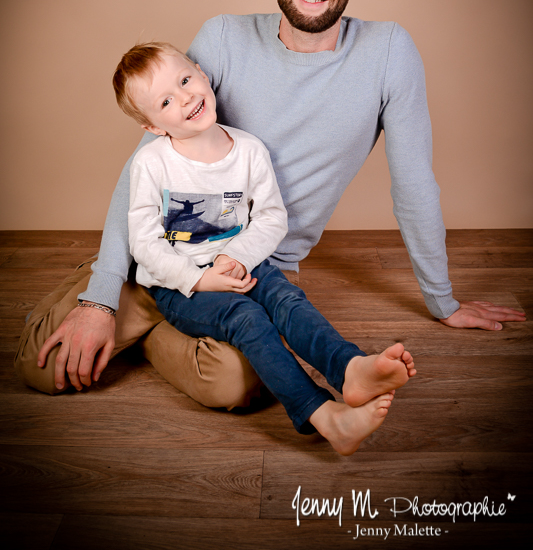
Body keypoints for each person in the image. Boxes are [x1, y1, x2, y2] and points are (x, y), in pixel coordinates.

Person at [15, 0, 525, 401]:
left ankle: (159, 331)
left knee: (238, 383)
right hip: (166, 252)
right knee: (44, 369)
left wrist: (442, 300)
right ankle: (129, 297)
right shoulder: (224, 37)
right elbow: (143, 168)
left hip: (250, 270)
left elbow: (413, 184)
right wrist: (101, 302)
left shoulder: (389, 53)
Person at [109, 40, 416, 454]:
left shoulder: (249, 150)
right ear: (153, 127)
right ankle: (323, 416)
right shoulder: (153, 163)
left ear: (202, 72)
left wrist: (237, 256)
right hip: (179, 285)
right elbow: (143, 241)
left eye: (185, 80)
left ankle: (350, 369)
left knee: (287, 300)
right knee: (249, 319)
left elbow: (271, 217)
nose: (185, 97)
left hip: (243, 264)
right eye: (165, 101)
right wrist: (199, 279)